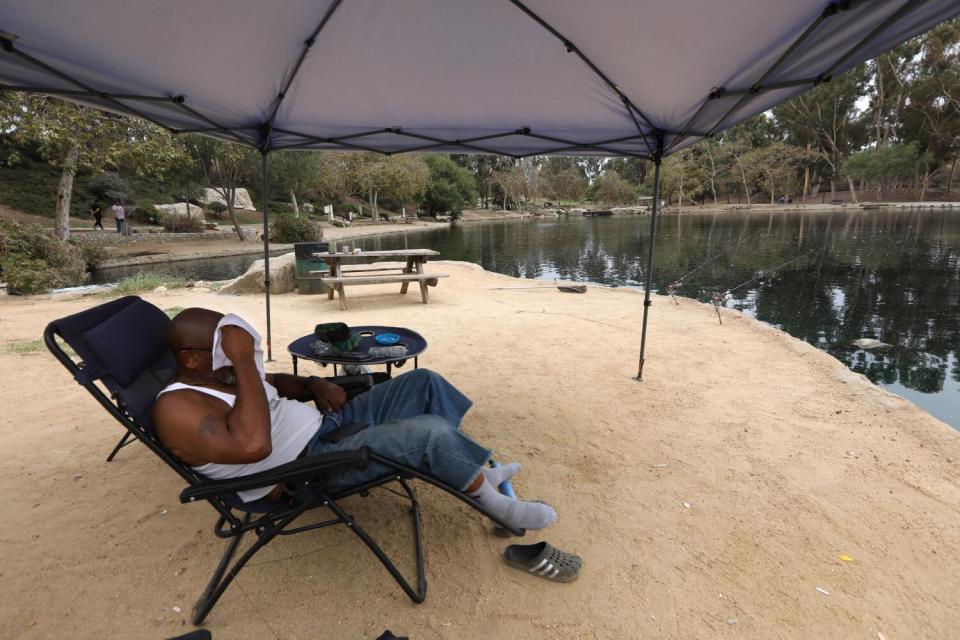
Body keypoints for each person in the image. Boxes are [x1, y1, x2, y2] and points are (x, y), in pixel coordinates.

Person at [151, 308, 557, 531]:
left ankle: (469, 470)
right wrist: (240, 360)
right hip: (308, 470)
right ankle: (496, 505)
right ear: (190, 359)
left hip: (327, 426)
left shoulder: (223, 376)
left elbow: (273, 381)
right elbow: (254, 445)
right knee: (427, 434)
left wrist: (313, 384)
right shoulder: (176, 409)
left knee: (422, 383)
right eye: (222, 348)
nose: (238, 355)